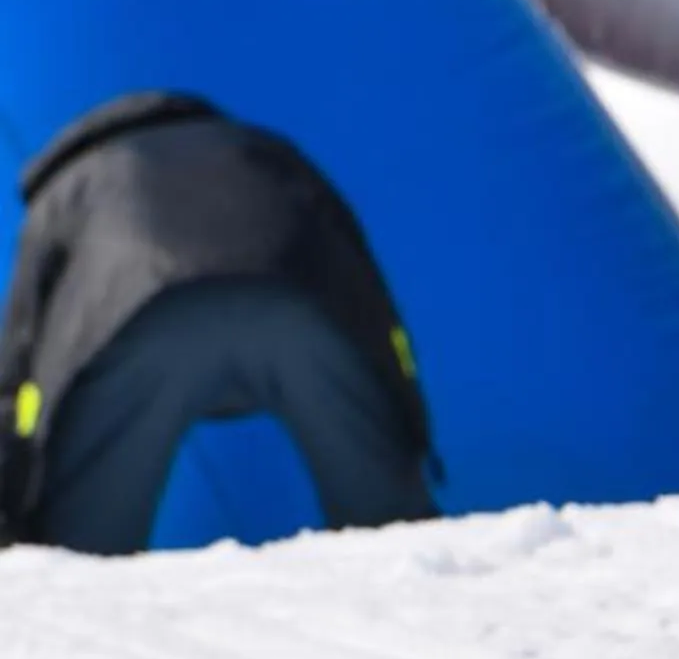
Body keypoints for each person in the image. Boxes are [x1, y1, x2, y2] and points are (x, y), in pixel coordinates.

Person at [1, 91, 436, 554]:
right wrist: (408, 422)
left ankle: (77, 607)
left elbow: (20, 356)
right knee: (392, 527)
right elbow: (359, 273)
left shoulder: (68, 186)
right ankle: (426, 595)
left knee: (83, 554)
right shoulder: (261, 148)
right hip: (299, 304)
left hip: (137, 328)